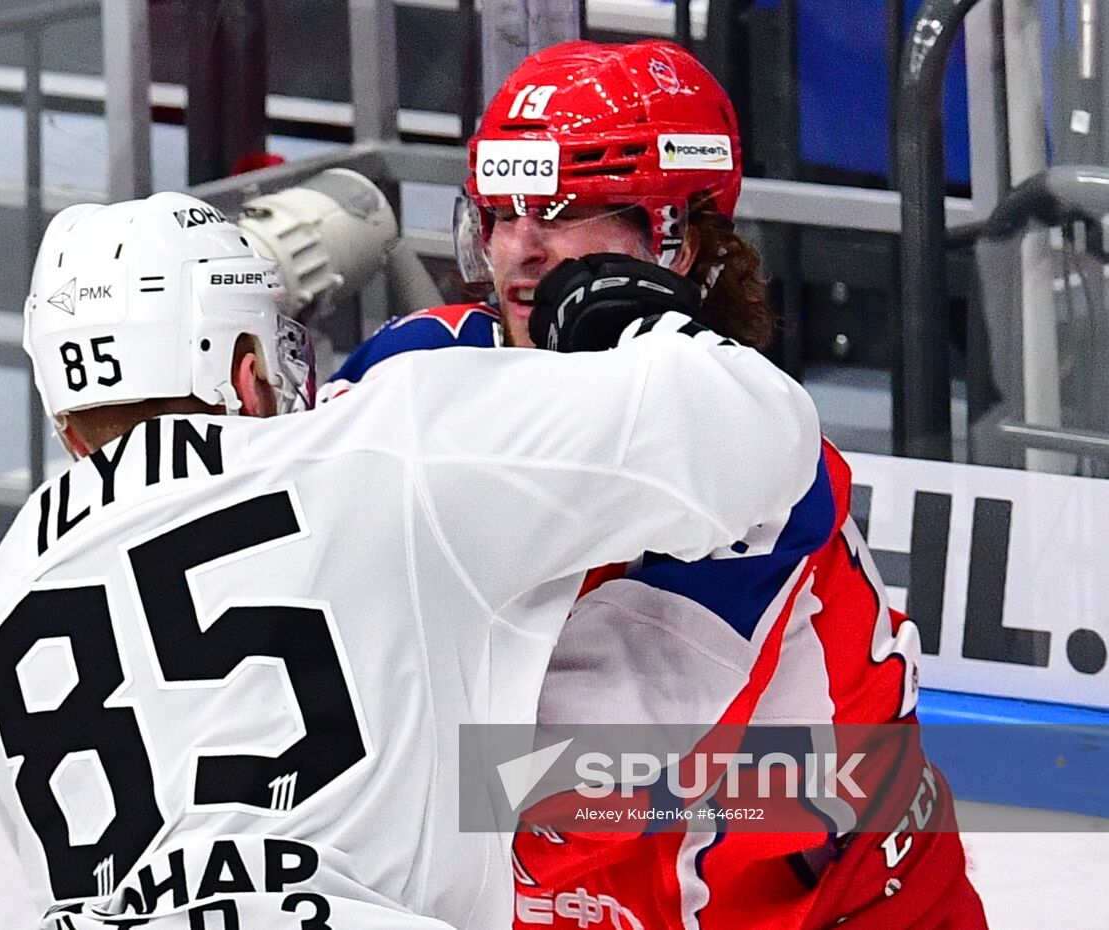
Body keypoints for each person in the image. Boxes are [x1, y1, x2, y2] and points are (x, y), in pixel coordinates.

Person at [0, 189, 820, 929]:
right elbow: (759, 435)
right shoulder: (380, 447)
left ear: (65, 415)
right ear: (246, 370)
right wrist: (644, 325)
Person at [321, 39, 988, 930]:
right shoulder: (414, 365)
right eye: (499, 210)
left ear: (676, 233)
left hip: (839, 895)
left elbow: (581, 789)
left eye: (561, 209)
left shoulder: (751, 465)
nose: (519, 249)